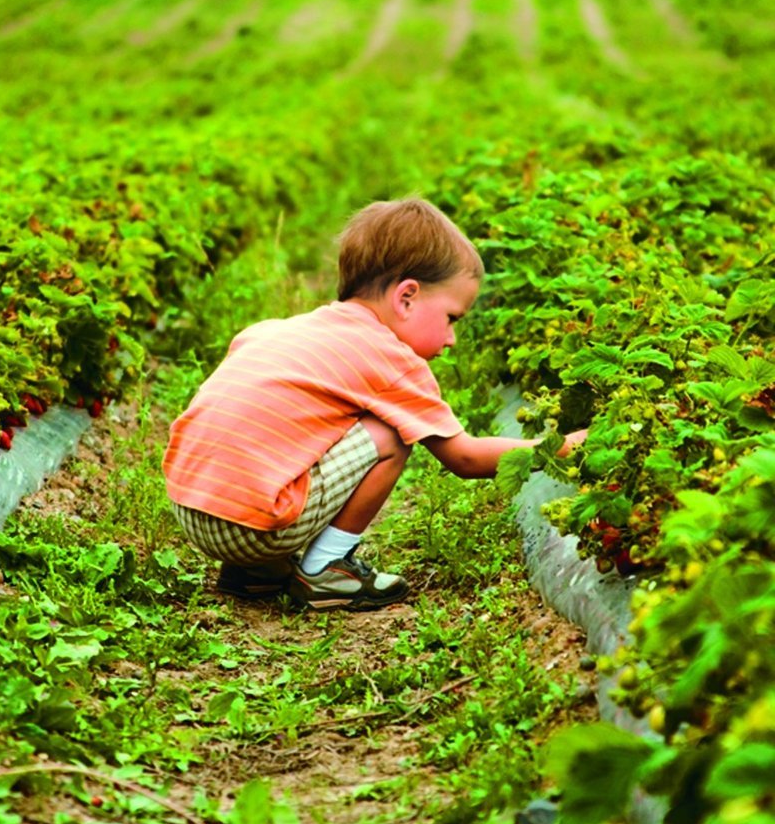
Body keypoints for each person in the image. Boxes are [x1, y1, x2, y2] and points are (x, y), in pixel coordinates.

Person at [163, 199, 587, 611]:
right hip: (253, 527)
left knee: (296, 433)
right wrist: (564, 446)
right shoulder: (390, 358)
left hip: (191, 509)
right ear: (407, 297)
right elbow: (464, 457)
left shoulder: (275, 331)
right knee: (390, 433)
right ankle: (327, 568)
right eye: (451, 318)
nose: (452, 338)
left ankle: (254, 573)